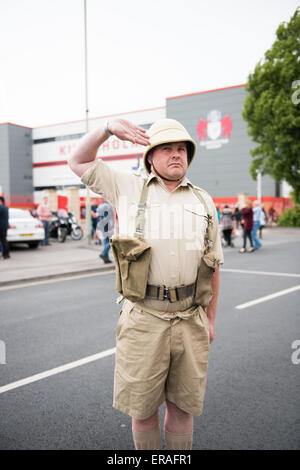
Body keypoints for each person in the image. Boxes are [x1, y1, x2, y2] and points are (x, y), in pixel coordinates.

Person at [68, 117, 224, 451]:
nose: (176, 155)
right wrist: (108, 129)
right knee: (142, 410)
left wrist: (210, 321)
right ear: (150, 156)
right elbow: (77, 160)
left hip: (189, 318)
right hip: (144, 317)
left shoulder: (204, 200)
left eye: (181, 149)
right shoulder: (127, 187)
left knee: (183, 409)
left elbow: (214, 265)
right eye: (166, 149)